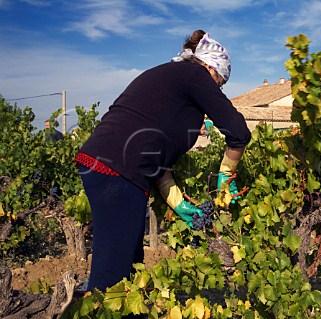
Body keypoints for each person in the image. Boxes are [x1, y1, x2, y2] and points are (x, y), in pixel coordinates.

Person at [74, 30, 251, 295]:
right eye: (219, 83)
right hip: (117, 169)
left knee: (129, 263)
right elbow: (238, 131)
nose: (217, 90)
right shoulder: (194, 75)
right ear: (209, 68)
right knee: (112, 276)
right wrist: (226, 175)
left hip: (110, 165)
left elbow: (155, 156)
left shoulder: (171, 79)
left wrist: (178, 203)